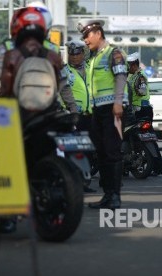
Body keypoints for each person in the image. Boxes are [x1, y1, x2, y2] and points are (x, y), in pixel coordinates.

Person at [78, 19, 128, 209]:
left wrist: (117, 101)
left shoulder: (113, 53)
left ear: (98, 34)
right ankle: (107, 195)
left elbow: (121, 77)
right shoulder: (95, 58)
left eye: (87, 36)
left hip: (112, 109)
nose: (85, 41)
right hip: (97, 111)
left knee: (112, 151)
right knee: (101, 153)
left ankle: (115, 196)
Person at [126, 52, 162, 176]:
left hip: (142, 110)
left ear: (134, 65)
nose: (128, 67)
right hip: (134, 110)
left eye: (130, 65)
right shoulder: (131, 76)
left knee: (149, 138)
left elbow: (142, 91)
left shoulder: (140, 76)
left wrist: (136, 90)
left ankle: (159, 167)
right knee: (135, 139)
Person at [64, 39, 96, 193]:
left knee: (90, 150)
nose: (74, 57)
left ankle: (85, 181)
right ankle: (77, 182)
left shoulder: (91, 68)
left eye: (77, 54)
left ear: (83, 54)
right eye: (72, 55)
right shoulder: (65, 71)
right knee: (76, 151)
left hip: (91, 115)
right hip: (75, 116)